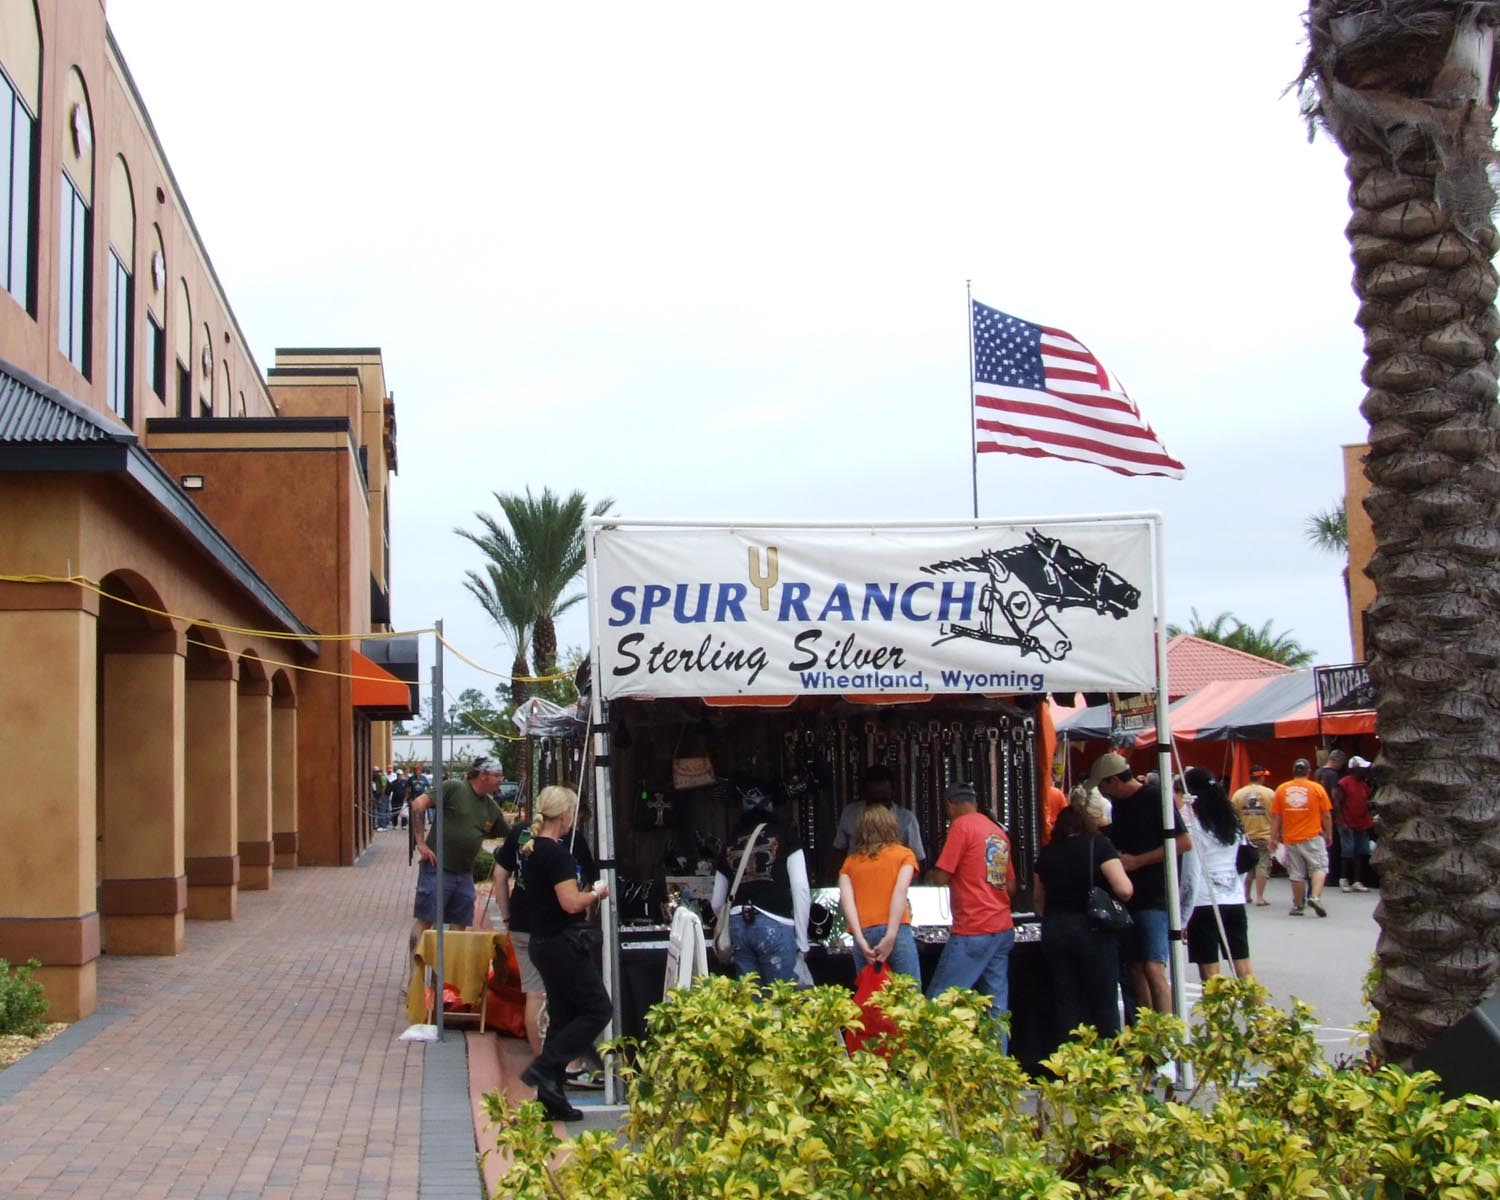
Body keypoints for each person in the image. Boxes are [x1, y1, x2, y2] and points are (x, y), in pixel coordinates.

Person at [518, 786, 611, 1122]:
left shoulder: (532, 851)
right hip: (562, 944)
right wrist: (597, 893)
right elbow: (571, 902)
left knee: (563, 1016)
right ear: (565, 814)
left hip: (543, 942)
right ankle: (546, 1067)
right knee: (598, 1008)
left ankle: (550, 1097)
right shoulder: (557, 855)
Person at [1087, 751, 1191, 1016]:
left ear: (1114, 780)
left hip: (1155, 895)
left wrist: (1138, 861)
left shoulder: (1155, 797)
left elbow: (1182, 842)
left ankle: (1166, 1026)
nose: (1103, 792)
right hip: (1128, 897)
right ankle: (1147, 1025)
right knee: (1134, 967)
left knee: (1154, 966)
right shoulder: (1119, 805)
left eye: (1103, 786)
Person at [925, 780, 1017, 1044]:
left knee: (939, 1002)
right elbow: (1011, 887)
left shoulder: (961, 826)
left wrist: (929, 875)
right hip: (1002, 927)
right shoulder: (997, 832)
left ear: (950, 805)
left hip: (973, 927)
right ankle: (997, 1063)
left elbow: (942, 876)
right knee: (996, 1009)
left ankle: (929, 1060)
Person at [1033, 805, 1133, 1040]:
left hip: (1055, 928)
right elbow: (1124, 889)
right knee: (1103, 999)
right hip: (1092, 928)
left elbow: (1038, 902)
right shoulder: (1099, 846)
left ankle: (1070, 1054)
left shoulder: (1047, 853)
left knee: (1066, 999)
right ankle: (1107, 1053)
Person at [409, 756, 508, 952]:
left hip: (464, 874)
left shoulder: (491, 808)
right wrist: (420, 843)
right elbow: (418, 804)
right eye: (497, 775)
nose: (501, 780)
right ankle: (415, 969)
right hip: (437, 867)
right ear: (483, 775)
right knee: (426, 920)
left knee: (459, 925)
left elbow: (509, 834)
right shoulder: (454, 787)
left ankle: (447, 970)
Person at [712, 792, 811, 984]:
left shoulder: (730, 842)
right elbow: (801, 890)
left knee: (751, 998)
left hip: (738, 924)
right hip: (776, 922)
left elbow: (717, 901)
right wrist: (802, 942)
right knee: (781, 997)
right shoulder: (786, 836)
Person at [1181, 768, 1255, 983]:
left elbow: (1191, 875)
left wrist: (1183, 917)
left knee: (1210, 973)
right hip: (1234, 898)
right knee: (1244, 968)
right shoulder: (1233, 827)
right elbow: (1242, 865)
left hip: (1204, 902)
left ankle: (1217, 1006)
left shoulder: (1193, 829)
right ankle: (1257, 1006)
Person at [838, 805, 921, 983]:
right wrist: (890, 935)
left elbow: (848, 903)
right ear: (891, 825)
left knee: (870, 994)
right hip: (897, 931)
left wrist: (860, 939)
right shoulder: (905, 855)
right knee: (909, 994)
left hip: (864, 934)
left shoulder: (850, 863)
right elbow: (900, 892)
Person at [1269, 758, 1334, 918]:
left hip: (1291, 838)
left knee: (1296, 874)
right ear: (1308, 772)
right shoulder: (1317, 788)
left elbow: (1276, 817)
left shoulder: (1282, 789)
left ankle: (1298, 906)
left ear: (1293, 771)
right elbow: (1326, 814)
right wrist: (1329, 833)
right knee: (1319, 868)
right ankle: (1315, 897)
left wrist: (1273, 837)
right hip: (1312, 837)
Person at [832, 765, 926, 868]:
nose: (879, 806)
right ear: (865, 794)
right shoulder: (850, 814)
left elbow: (917, 860)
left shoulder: (907, 819)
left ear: (893, 793)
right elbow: (838, 853)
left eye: (884, 801)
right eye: (874, 801)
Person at [1231, 766, 1275, 906]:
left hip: (1246, 836)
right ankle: (1260, 897)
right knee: (1262, 865)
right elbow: (1276, 815)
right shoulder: (1270, 793)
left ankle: (1246, 895)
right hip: (1264, 835)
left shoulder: (1238, 794)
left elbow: (1233, 815)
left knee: (1248, 866)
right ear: (1261, 777)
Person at [1336, 756, 1375, 893]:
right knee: (1348, 850)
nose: (1365, 770)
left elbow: (1367, 800)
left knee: (1360, 851)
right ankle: (1343, 879)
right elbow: (1337, 803)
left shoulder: (1363, 784)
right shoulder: (1344, 783)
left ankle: (1357, 881)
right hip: (1347, 822)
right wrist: (1342, 821)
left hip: (1361, 822)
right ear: (1354, 769)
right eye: (1362, 768)